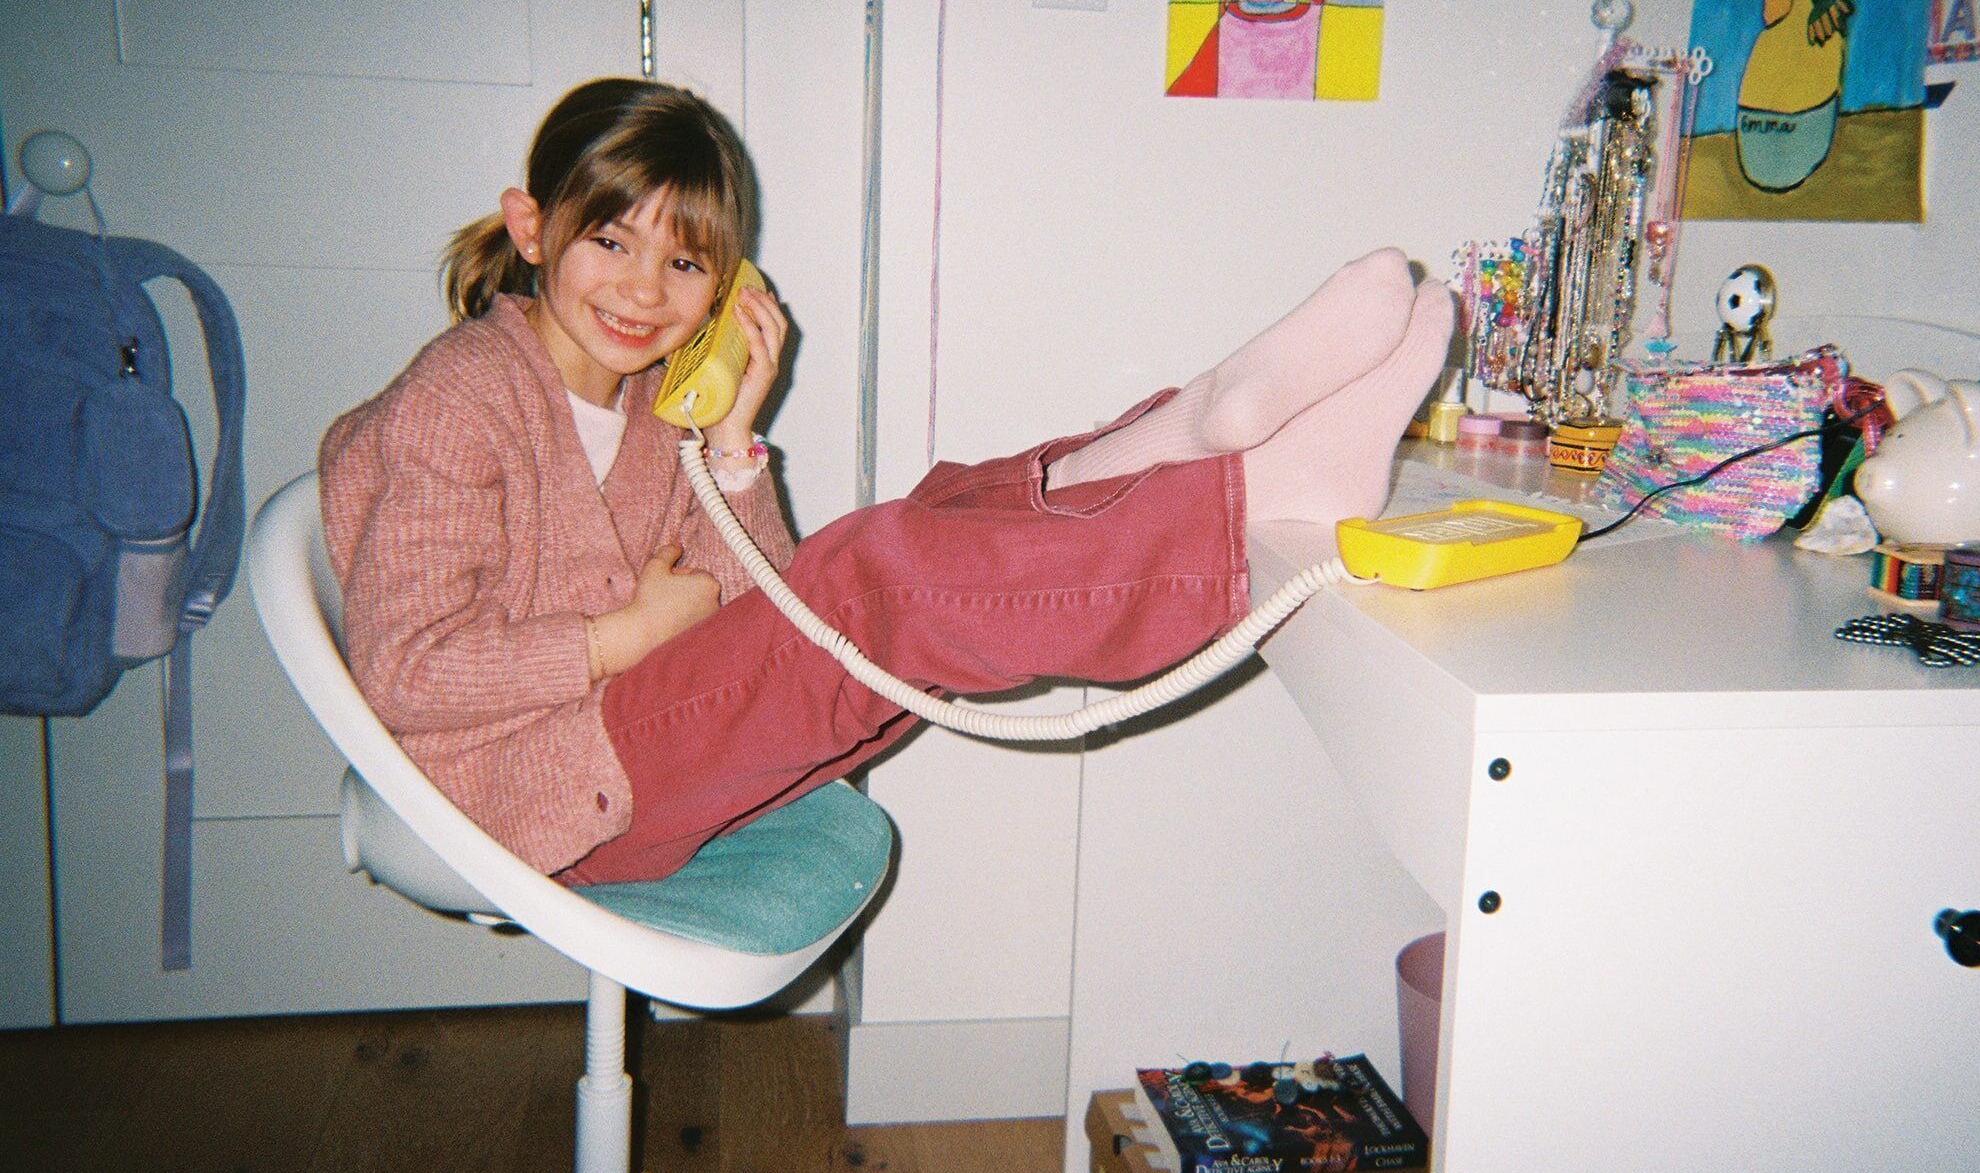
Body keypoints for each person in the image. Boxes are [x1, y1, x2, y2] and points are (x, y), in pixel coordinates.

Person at [320, 77, 1451, 886]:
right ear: (531, 226)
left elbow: (756, 607)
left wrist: (730, 441)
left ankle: (1203, 429)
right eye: (610, 243)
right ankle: (1246, 510)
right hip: (535, 797)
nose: (642, 291)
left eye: (682, 264)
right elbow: (406, 671)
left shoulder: (650, 396)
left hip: (628, 746)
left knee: (933, 517)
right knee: (868, 586)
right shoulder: (460, 399)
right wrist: (618, 641)